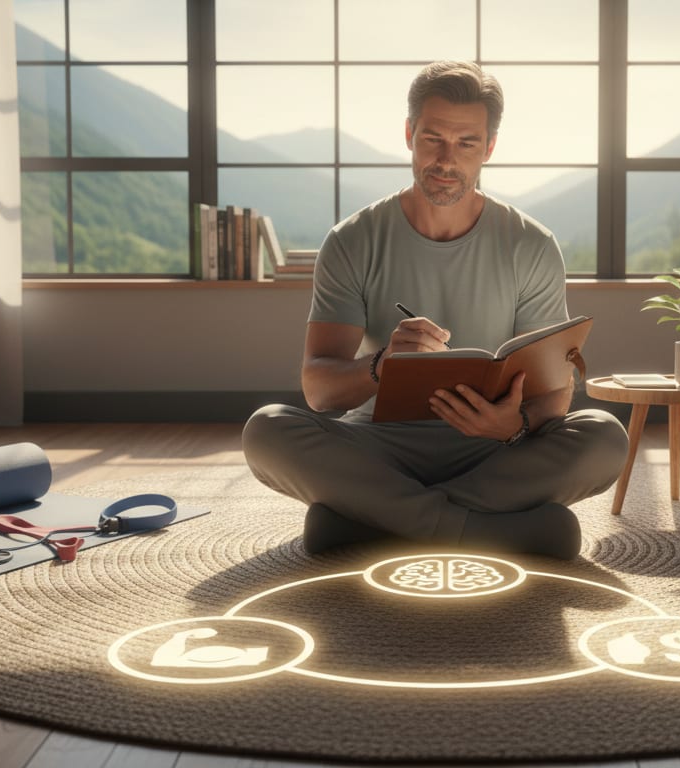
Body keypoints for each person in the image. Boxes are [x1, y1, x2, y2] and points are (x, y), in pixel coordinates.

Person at [242, 61, 627, 559]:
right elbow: (318, 391)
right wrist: (381, 365)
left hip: (493, 451)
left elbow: (553, 395)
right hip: (378, 448)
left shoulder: (531, 244)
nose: (447, 159)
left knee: (603, 436)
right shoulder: (352, 240)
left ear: (488, 148)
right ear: (409, 134)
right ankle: (487, 531)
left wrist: (512, 427)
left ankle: (371, 521)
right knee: (267, 430)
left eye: (466, 143)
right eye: (433, 139)